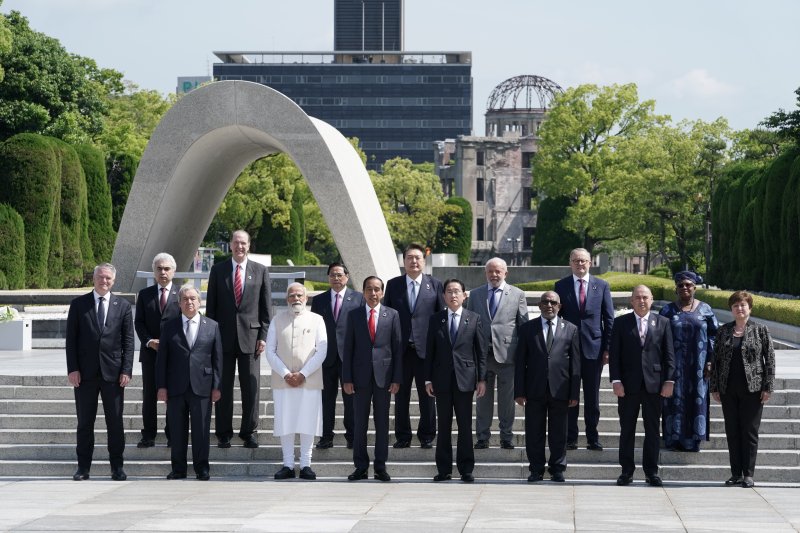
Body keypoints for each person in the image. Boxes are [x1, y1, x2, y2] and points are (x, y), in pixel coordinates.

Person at [66, 263, 134, 481]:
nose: (104, 281)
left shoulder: (122, 306)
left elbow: (128, 342)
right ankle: (83, 468)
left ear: (113, 281)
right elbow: (71, 341)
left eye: (108, 279)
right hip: (84, 375)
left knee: (115, 422)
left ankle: (117, 467)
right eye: (100, 277)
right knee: (85, 422)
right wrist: (73, 369)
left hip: (113, 375)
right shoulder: (78, 304)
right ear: (93, 279)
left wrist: (126, 370)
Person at [206, 229, 272, 449]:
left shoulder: (260, 271)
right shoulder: (218, 270)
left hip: (251, 338)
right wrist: (210, 338)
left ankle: (249, 432)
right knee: (223, 386)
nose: (240, 247)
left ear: (249, 245)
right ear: (231, 245)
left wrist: (263, 336)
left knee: (251, 388)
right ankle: (223, 433)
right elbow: (211, 309)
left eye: (243, 243)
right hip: (222, 338)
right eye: (236, 243)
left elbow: (266, 309)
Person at [609, 285, 675, 487]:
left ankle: (651, 472)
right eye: (637, 297)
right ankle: (626, 472)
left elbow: (669, 355)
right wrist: (616, 380)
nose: (642, 300)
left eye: (645, 297)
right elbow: (615, 355)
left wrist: (669, 381)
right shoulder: (621, 323)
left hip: (654, 385)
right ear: (631, 301)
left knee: (652, 431)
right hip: (628, 386)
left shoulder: (663, 322)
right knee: (627, 429)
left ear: (652, 299)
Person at [156, 285, 222, 480]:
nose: (189, 302)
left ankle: (202, 468)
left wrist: (217, 386)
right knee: (177, 431)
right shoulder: (169, 326)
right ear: (179, 303)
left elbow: (218, 359)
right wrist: (161, 386)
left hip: (202, 386)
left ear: (199, 301)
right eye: (185, 299)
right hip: (176, 387)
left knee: (201, 430)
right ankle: (178, 469)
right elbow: (162, 360)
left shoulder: (212, 325)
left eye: (193, 298)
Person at [711, 290, 775, 488]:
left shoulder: (761, 330)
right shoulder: (723, 330)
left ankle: (748, 474)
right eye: (735, 306)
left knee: (749, 431)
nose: (739, 308)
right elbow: (716, 360)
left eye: (743, 305)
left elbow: (770, 360)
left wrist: (767, 387)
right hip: (728, 388)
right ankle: (735, 473)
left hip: (753, 389)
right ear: (731, 309)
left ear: (750, 308)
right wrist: (714, 386)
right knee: (732, 431)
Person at [424, 278, 487, 482]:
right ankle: (444, 469)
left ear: (464, 295)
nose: (453, 295)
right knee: (443, 425)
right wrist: (427, 380)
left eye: (457, 291)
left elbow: (481, 352)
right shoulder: (436, 319)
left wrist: (482, 379)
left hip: (465, 380)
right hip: (441, 381)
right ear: (444, 296)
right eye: (449, 291)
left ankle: (466, 469)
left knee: (465, 425)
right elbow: (429, 352)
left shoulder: (474, 318)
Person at [514, 291, 580, 483]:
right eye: (545, 302)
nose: (549, 305)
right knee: (534, 432)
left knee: (559, 433)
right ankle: (536, 470)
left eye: (553, 302)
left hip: (561, 389)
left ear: (559, 306)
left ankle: (557, 469)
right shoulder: (527, 329)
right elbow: (520, 362)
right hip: (534, 389)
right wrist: (519, 391)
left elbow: (576, 364)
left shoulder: (571, 329)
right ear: (539, 305)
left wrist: (574, 392)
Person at [384, 243, 444, 449]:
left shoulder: (435, 285)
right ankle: (403, 436)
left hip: (425, 351)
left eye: (417, 258)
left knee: (428, 396)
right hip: (400, 351)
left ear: (424, 261)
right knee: (401, 396)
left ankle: (427, 435)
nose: (414, 261)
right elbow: (387, 318)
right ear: (404, 261)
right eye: (409, 257)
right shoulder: (393, 285)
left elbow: (441, 319)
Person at [342, 276, 403, 482]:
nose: (373, 293)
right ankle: (360, 466)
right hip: (359, 378)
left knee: (382, 423)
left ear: (382, 292)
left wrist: (396, 378)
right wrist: (347, 378)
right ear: (363, 291)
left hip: (384, 378)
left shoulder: (392, 315)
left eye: (377, 289)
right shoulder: (354, 315)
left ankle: (380, 466)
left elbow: (397, 348)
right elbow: (348, 348)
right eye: (369, 289)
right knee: (359, 424)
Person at [264, 283, 327, 480]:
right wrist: (285, 373)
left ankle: (306, 464)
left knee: (308, 421)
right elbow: (270, 350)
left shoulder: (317, 320)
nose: (296, 298)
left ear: (306, 298)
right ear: (287, 299)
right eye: (292, 295)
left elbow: (322, 350)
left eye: (300, 295)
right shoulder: (277, 320)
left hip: (309, 380)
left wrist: (303, 374)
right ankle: (288, 465)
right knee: (286, 422)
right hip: (284, 381)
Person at [554, 248, 614, 451]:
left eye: (583, 261)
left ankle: (592, 437)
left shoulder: (602, 285)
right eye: (576, 261)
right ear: (570, 263)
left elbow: (609, 319)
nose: (580, 264)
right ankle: (571, 438)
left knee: (592, 398)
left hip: (594, 349)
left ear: (590, 263)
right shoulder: (560, 286)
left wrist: (607, 348)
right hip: (567, 350)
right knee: (570, 396)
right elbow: (556, 319)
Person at [467, 257, 528, 450]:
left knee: (507, 401)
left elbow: (523, 326)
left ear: (505, 273)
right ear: (485, 273)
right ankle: (482, 437)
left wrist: (523, 357)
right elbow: (468, 324)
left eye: (498, 271)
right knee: (482, 399)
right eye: (490, 271)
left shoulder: (518, 294)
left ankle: (506, 437)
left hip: (507, 356)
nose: (494, 275)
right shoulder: (475, 295)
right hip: (482, 357)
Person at [660, 271, 719, 452]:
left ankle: (693, 441)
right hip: (673, 366)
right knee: (673, 401)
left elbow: (714, 337)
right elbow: (659, 338)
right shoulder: (667, 311)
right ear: (676, 289)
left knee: (696, 400)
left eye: (688, 285)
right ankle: (673, 439)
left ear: (694, 287)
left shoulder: (705, 309)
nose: (684, 288)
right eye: (680, 285)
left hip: (699, 367)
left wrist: (711, 361)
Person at [310, 262, 364, 450]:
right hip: (326, 358)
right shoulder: (319, 300)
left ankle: (352, 436)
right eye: (332, 275)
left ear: (347, 277)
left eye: (340, 275)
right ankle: (326, 436)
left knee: (351, 400)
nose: (336, 278)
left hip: (350, 359)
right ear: (328, 278)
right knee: (326, 400)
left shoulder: (358, 298)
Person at [134, 252, 181, 448]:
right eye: (159, 268)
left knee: (173, 395)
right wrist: (148, 341)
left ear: (173, 271)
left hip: (174, 356)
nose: (163, 272)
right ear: (153, 271)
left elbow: (186, 323)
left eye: (167, 268)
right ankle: (148, 434)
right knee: (149, 396)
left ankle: (173, 434)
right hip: (150, 354)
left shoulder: (182, 294)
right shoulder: (145, 295)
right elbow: (139, 323)